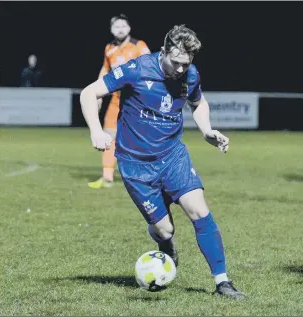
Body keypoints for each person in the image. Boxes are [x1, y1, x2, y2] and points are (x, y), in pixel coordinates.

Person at [79, 24, 245, 299]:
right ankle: (165, 244)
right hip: (135, 165)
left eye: (186, 64)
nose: (181, 70)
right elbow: (89, 93)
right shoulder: (136, 69)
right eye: (176, 62)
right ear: (164, 52)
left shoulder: (190, 74)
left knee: (200, 211)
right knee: (164, 229)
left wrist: (207, 131)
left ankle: (222, 282)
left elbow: (198, 103)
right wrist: (96, 131)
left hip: (172, 156)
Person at [88, 13, 151, 189]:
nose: (120, 29)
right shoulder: (109, 48)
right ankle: (107, 177)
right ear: (111, 30)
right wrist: (97, 93)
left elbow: (150, 69)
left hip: (138, 100)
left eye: (123, 26)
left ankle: (145, 177)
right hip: (117, 99)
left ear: (129, 28)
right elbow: (105, 70)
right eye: (117, 26)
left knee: (141, 139)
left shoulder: (139, 46)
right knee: (108, 135)